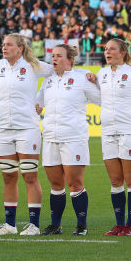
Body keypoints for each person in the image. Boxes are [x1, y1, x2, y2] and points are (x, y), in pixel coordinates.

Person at [36, 44, 100, 236]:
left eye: (58, 56)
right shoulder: (48, 81)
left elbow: (102, 98)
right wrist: (36, 107)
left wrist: (96, 82)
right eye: (52, 56)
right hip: (50, 137)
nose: (54, 59)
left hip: (73, 137)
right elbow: (37, 102)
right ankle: (56, 225)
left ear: (69, 60)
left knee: (75, 183)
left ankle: (82, 225)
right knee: (56, 184)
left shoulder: (82, 78)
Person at [0, 34, 47, 235]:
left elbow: (59, 71)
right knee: (8, 177)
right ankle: (10, 225)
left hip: (27, 128)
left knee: (30, 176)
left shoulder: (33, 66)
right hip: (3, 129)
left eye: (9, 45)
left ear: (20, 48)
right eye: (3, 44)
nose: (4, 48)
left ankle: (34, 225)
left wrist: (40, 100)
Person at [95, 38, 131, 236]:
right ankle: (119, 224)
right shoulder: (101, 74)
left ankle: (130, 225)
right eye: (106, 49)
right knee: (115, 180)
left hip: (129, 130)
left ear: (123, 52)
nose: (107, 52)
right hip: (107, 131)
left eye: (112, 49)